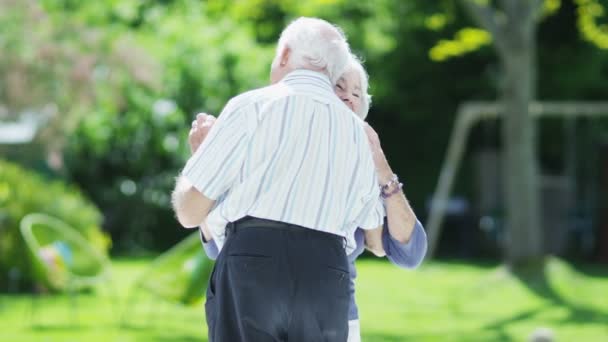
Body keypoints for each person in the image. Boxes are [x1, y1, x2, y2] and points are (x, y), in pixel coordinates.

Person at [172, 17, 385, 341]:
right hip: (328, 272)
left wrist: (200, 159)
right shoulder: (359, 132)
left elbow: (190, 213)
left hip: (253, 261)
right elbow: (374, 231)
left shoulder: (250, 107)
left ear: (285, 54)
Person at [188, 55, 428, 342]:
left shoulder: (361, 166)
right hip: (255, 304)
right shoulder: (269, 151)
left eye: (357, 93)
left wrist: (382, 168)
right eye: (339, 87)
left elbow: (409, 253)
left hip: (332, 315)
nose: (349, 99)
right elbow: (217, 245)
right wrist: (208, 163)